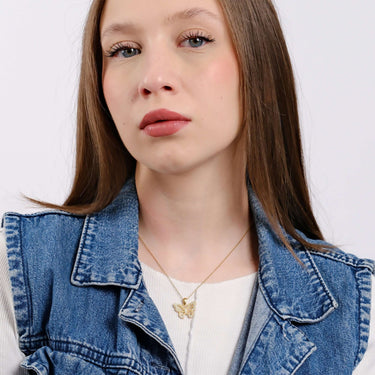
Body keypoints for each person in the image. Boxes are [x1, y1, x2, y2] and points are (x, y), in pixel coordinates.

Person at [0, 0, 374, 373]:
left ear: (259, 60)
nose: (152, 78)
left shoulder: (357, 312)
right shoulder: (22, 273)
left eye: (195, 40)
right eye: (125, 50)